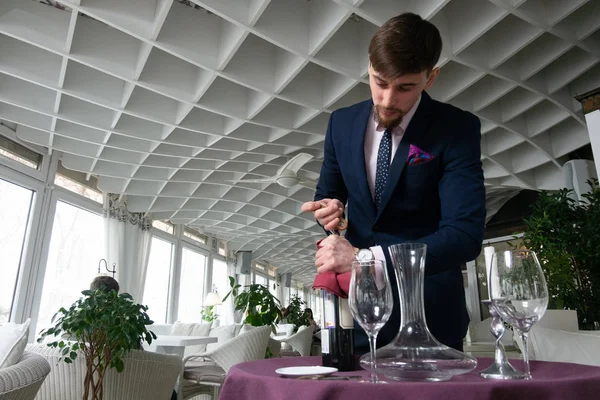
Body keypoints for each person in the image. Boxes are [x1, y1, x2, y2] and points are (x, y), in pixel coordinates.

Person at [301, 13, 485, 354]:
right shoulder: (341, 123)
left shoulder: (456, 129)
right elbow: (328, 195)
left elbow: (464, 236)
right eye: (379, 81)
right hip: (355, 317)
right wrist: (329, 211)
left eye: (405, 87)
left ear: (431, 78)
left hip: (430, 316)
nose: (387, 99)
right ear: (369, 67)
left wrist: (364, 258)